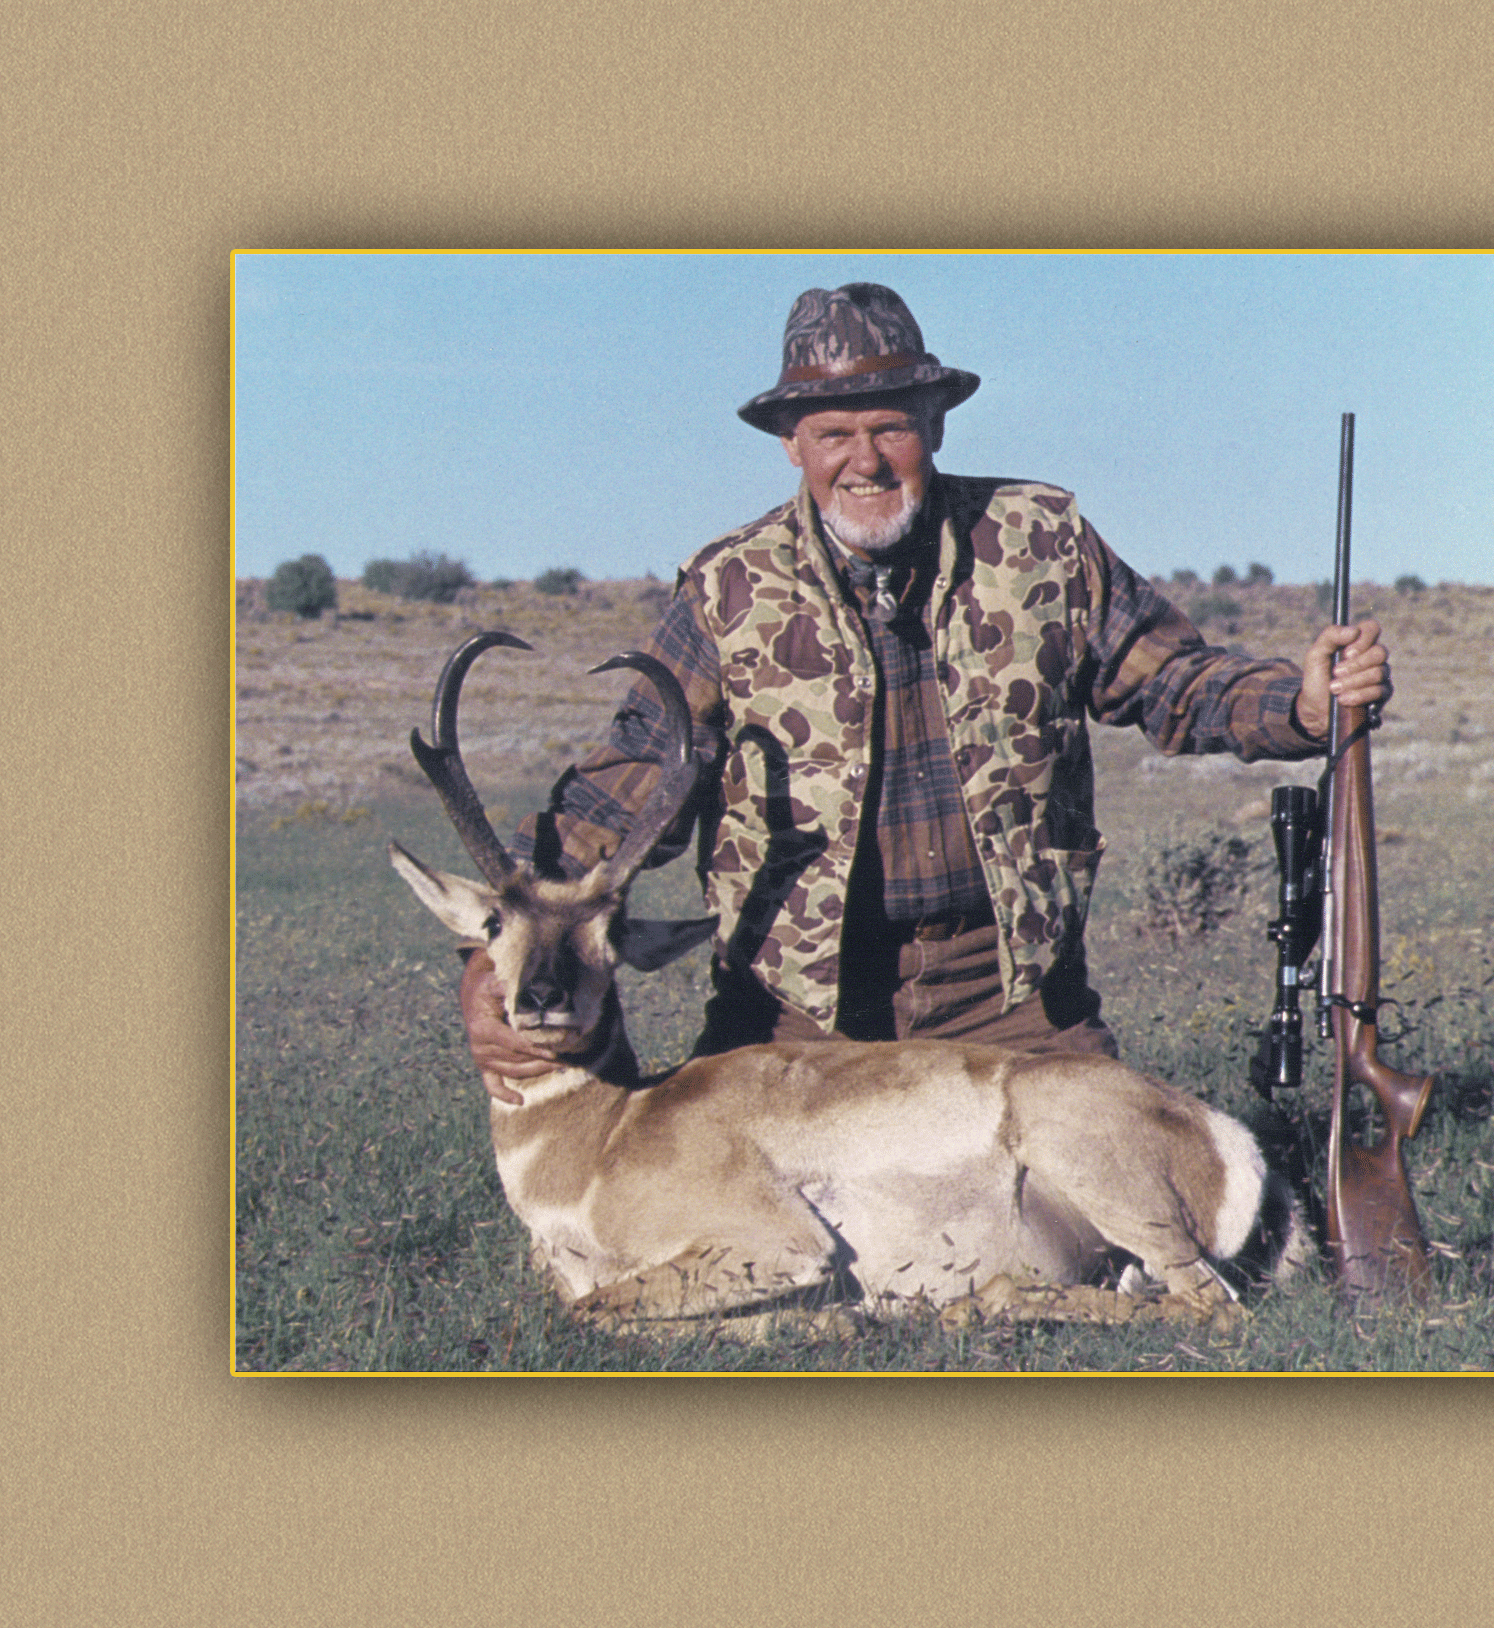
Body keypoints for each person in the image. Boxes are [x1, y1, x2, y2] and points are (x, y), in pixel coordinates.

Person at [462, 282, 1391, 1100]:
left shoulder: (1040, 543)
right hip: (796, 1011)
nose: (863, 461)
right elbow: (625, 785)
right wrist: (490, 955)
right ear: (792, 446)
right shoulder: (727, 588)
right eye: (833, 434)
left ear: (935, 427)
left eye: (889, 427)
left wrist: (1300, 706)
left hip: (1009, 998)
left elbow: (1175, 680)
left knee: (1110, 1212)